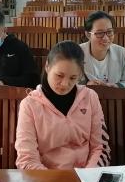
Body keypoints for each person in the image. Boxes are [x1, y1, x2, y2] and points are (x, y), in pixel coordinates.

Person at [15, 41, 111, 169]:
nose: (65, 84)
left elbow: (100, 148)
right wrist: (54, 180)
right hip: (46, 177)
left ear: (80, 75)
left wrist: (87, 176)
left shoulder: (90, 97)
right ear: (47, 67)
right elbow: (27, 159)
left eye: (73, 78)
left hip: (86, 176)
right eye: (59, 76)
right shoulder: (29, 105)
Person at [80, 11, 125, 88]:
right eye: (99, 33)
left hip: (113, 95)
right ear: (88, 34)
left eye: (109, 32)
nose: (105, 38)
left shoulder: (121, 52)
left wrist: (117, 86)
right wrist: (86, 87)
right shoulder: (76, 53)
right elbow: (70, 85)